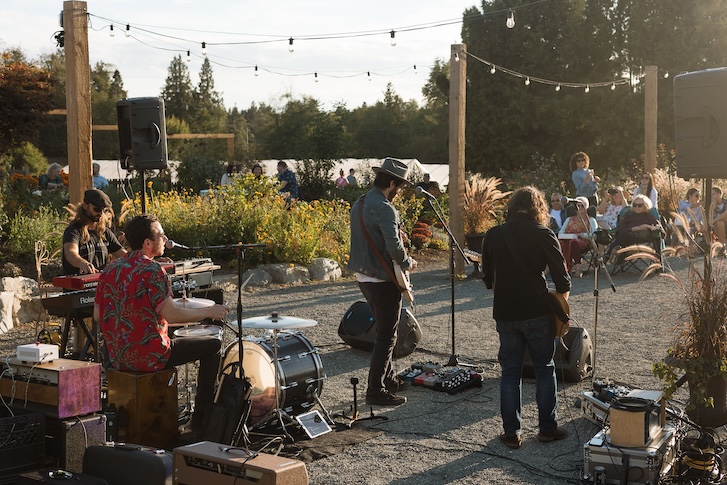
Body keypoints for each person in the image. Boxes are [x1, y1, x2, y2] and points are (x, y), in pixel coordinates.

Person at [93, 213, 228, 434]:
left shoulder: (110, 270)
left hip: (116, 357)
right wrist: (210, 312)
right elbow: (172, 315)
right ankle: (199, 423)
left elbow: (98, 316)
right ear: (148, 243)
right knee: (213, 345)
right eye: (161, 235)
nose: (165, 239)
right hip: (150, 357)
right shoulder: (153, 270)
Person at [481, 186, 570, 450]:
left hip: (505, 312)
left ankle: (511, 433)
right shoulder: (544, 234)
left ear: (511, 206)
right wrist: (560, 307)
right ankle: (547, 428)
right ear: (538, 209)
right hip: (537, 311)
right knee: (544, 368)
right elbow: (562, 280)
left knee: (510, 372)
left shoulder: (493, 235)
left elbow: (487, 279)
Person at [349, 157, 416, 407]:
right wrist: (409, 262)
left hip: (363, 276)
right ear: (391, 183)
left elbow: (373, 237)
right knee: (387, 335)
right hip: (382, 278)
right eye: (400, 186)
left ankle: (387, 380)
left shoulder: (360, 202)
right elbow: (395, 249)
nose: (400, 191)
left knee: (383, 329)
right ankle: (375, 390)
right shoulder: (386, 207)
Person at [62, 189, 127, 275]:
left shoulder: (104, 232)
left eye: (103, 210)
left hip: (99, 284)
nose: (100, 213)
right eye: (96, 210)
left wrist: (141, 259)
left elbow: (124, 255)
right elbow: (70, 253)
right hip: (78, 286)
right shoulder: (73, 231)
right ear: (85, 206)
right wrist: (82, 263)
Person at [605, 194, 664, 263]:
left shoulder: (650, 218)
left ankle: (659, 263)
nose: (637, 207)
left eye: (640, 205)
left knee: (657, 235)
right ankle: (610, 256)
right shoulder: (628, 217)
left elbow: (662, 233)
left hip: (645, 240)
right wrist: (636, 228)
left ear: (645, 206)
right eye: (635, 205)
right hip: (630, 239)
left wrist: (649, 227)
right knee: (623, 235)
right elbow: (621, 230)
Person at [558, 196, 597, 277]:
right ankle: (558, 268)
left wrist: (581, 235)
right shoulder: (569, 219)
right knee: (558, 243)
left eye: (582, 205)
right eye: (578, 205)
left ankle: (578, 268)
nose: (580, 207)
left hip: (584, 241)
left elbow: (594, 235)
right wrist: (567, 235)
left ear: (586, 207)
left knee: (574, 242)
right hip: (568, 239)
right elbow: (561, 231)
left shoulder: (591, 220)